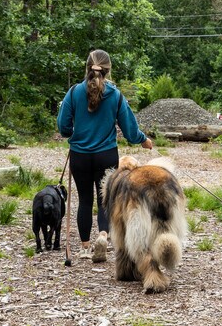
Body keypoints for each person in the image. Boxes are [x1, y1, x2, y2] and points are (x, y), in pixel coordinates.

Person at [57, 49, 153, 261]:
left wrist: (72, 133)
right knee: (104, 200)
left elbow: (63, 126)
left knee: (84, 199)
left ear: (87, 68)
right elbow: (130, 130)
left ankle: (84, 247)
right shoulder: (116, 96)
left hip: (80, 156)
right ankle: (102, 236)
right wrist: (144, 140)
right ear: (108, 71)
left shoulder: (73, 93)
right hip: (106, 155)